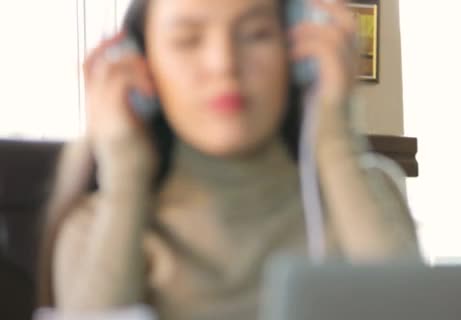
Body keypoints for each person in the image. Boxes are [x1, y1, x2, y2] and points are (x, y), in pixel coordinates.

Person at [38, 0, 420, 319]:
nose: (224, 64)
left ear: (296, 53)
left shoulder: (367, 195)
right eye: (188, 40)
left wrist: (336, 139)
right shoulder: (95, 228)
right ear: (141, 64)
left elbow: (414, 309)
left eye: (256, 34)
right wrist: (125, 172)